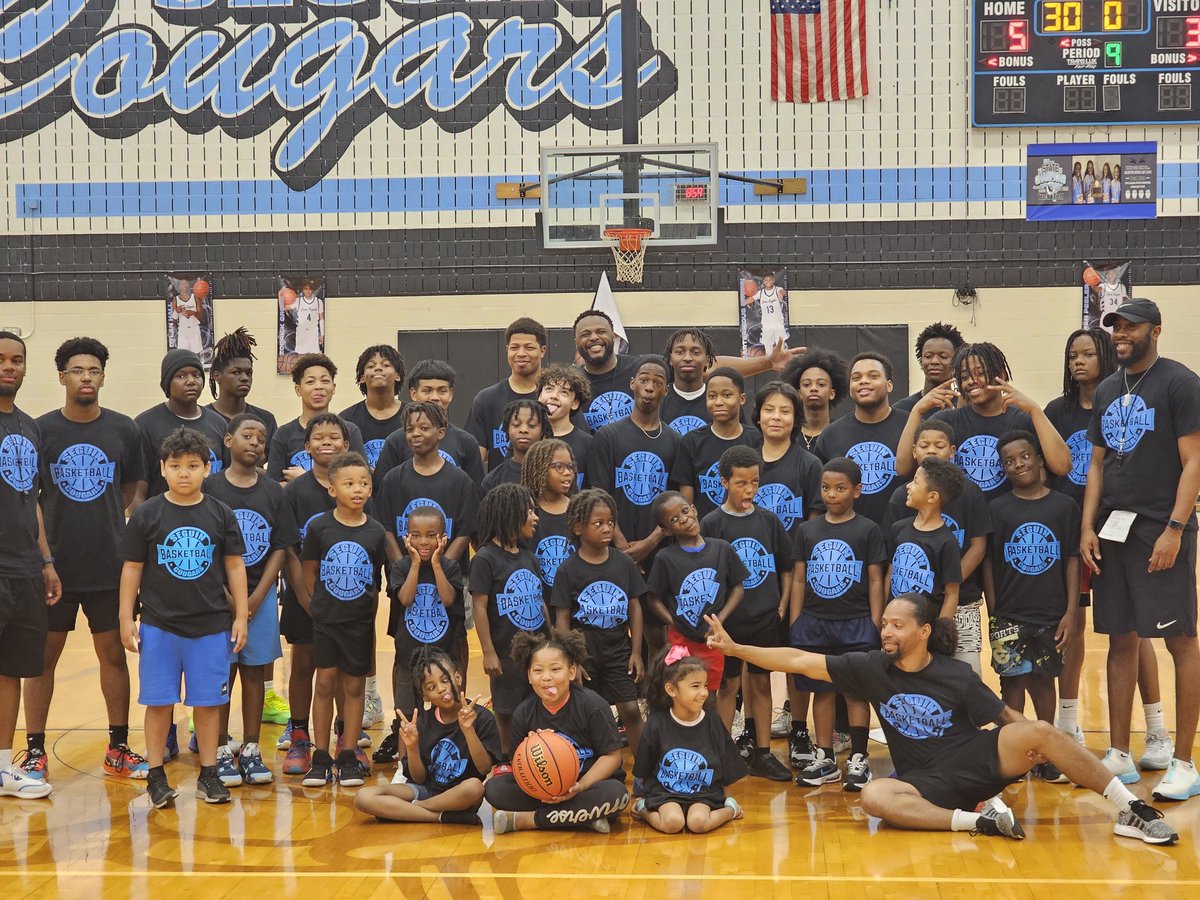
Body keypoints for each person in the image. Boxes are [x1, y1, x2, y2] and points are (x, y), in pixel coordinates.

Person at [704, 597, 1180, 845]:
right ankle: (975, 824)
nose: (886, 631)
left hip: (974, 761)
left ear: (924, 632)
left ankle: (1131, 810)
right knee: (874, 795)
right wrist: (735, 649)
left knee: (1037, 728)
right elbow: (798, 659)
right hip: (924, 781)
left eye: (897, 625)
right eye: (884, 623)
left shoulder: (955, 675)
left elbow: (1006, 717)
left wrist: (1039, 746)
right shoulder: (870, 666)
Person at [1081, 298, 1200, 800]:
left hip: (1159, 526)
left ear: (1157, 328)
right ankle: (1120, 754)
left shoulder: (1181, 383)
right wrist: (1087, 526)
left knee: (1179, 641)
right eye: (1116, 327)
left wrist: (1175, 527)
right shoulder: (1109, 387)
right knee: (1120, 638)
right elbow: (1098, 465)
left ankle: (1185, 761)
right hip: (1113, 530)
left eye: (1131, 326)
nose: (1121, 334)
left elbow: (1194, 462)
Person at [24, 338, 146, 782]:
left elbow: (134, 487)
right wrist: (44, 558)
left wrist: (115, 529)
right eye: (78, 370)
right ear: (62, 377)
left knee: (112, 654)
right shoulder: (41, 430)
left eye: (94, 370)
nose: (87, 377)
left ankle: (118, 746)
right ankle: (34, 751)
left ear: (103, 376)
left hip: (109, 566)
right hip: (55, 567)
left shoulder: (124, 429)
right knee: (43, 658)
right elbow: (30, 498)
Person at [1044, 328, 1167, 753]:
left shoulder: (1124, 406)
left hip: (1117, 531)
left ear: (1105, 357)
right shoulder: (1056, 412)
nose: (1078, 362)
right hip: (1070, 537)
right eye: (1072, 355)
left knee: (1133, 633)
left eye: (1087, 354)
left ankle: (1155, 729)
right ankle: (1069, 723)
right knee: (1071, 627)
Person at [118, 427, 249, 808]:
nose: (184, 473)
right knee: (159, 703)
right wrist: (127, 618)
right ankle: (156, 777)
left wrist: (240, 615)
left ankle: (209, 774)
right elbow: (131, 569)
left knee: (207, 705)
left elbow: (235, 567)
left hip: (210, 626)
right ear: (163, 468)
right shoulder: (147, 514)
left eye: (193, 465)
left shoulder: (220, 513)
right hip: (160, 626)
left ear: (208, 468)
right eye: (175, 465)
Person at [981, 430, 1079, 785]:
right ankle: (1014, 754)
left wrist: (1070, 611)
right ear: (1003, 469)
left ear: (1039, 459)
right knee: (1011, 682)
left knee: (1043, 681)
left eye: (1024, 456)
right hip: (1009, 613)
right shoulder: (997, 509)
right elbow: (989, 563)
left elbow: (1071, 560)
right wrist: (994, 609)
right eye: (1009, 461)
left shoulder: (1064, 506)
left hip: (1050, 613)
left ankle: (1047, 752)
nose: (1018, 464)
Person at [203, 413, 293, 786]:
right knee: (222, 674)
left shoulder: (274, 491)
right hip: (216, 600)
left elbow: (280, 547)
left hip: (261, 598)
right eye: (247, 435)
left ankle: (252, 748)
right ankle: (222, 748)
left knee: (255, 673)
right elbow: (204, 544)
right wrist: (229, 596)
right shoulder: (210, 488)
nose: (255, 442)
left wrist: (256, 596)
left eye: (262, 438)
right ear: (227, 440)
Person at [700, 447, 793, 781]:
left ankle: (763, 752)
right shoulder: (712, 522)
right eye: (741, 483)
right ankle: (725, 754)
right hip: (729, 621)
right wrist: (716, 617)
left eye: (754, 482)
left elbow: (786, 564)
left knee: (762, 683)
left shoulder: (768, 519)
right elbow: (707, 573)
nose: (749, 489)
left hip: (764, 616)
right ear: (724, 482)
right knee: (727, 687)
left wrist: (782, 602)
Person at [792, 458, 886, 788]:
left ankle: (859, 758)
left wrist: (875, 622)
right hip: (815, 623)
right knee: (823, 691)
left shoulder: (868, 529)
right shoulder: (807, 529)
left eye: (840, 488)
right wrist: (796, 620)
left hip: (857, 622)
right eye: (826, 488)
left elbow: (876, 580)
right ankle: (825, 756)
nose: (832, 494)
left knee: (856, 692)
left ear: (857, 491)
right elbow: (800, 578)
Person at [299, 451, 388, 788]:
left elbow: (376, 576)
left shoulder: (376, 531)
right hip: (326, 621)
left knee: (354, 687)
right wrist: (320, 606)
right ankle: (320, 756)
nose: (358, 489)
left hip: (360, 623)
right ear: (332, 489)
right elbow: (309, 572)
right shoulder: (320, 527)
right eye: (349, 483)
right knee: (324, 684)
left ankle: (348, 754)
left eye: (364, 483)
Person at [485, 630, 630, 834]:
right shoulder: (523, 713)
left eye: (555, 669)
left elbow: (613, 757)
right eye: (538, 671)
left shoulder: (593, 705)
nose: (546, 678)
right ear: (528, 676)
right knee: (494, 789)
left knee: (617, 794)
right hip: (543, 789)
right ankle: (582, 817)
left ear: (571, 672)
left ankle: (529, 820)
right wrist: (530, 753)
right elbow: (517, 768)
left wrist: (580, 786)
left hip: (587, 784)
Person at [0, 331, 60, 799]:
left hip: (23, 568)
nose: (9, 367)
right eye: (1, 359)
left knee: (13, 669)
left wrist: (45, 560)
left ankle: (3, 767)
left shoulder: (27, 425)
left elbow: (34, 500)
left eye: (17, 360)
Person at [897, 342, 1071, 502]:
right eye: (965, 376)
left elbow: (1063, 466)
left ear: (1000, 374)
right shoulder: (947, 420)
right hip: (964, 521)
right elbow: (903, 468)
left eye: (980, 373)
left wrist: (1034, 410)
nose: (972, 381)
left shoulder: (1023, 419)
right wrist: (916, 411)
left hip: (1007, 521)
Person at [883, 420, 992, 674]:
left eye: (939, 445)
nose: (931, 450)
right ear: (914, 450)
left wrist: (943, 585)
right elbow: (892, 563)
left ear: (952, 451)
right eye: (924, 445)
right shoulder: (902, 499)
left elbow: (978, 546)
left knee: (964, 674)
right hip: (909, 610)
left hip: (959, 603)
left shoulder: (970, 494)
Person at [276, 413, 351, 775]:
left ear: (347, 445)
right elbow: (290, 550)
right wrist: (306, 598)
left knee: (341, 669)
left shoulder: (357, 487)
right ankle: (301, 736)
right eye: (318, 437)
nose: (326, 442)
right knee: (304, 664)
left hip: (348, 599)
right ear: (306, 448)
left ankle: (341, 737)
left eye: (334, 437)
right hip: (304, 597)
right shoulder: (294, 491)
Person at [353, 648, 498, 823]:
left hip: (460, 795)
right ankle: (440, 817)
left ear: (458, 678)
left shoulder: (482, 718)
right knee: (363, 797)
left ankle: (413, 810)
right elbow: (419, 778)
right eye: (431, 687)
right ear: (425, 696)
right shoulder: (423, 722)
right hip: (426, 790)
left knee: (474, 787)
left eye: (445, 680)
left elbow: (484, 768)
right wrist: (412, 747)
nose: (441, 689)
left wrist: (468, 730)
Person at [552, 488, 646, 755]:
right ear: (578, 527)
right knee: (592, 711)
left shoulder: (623, 564)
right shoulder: (568, 569)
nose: (607, 529)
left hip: (618, 648)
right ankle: (593, 765)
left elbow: (635, 607)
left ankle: (642, 774)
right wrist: (572, 659)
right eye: (598, 524)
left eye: (611, 523)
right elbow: (562, 618)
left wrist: (637, 652)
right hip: (585, 651)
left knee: (630, 708)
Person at [631, 645, 747, 833]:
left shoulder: (712, 721)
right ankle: (644, 809)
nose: (704, 693)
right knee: (673, 823)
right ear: (671, 690)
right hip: (665, 793)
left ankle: (730, 811)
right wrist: (643, 797)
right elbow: (645, 767)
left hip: (704, 793)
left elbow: (726, 763)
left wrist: (727, 799)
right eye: (695, 686)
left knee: (698, 823)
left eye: (705, 686)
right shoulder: (656, 723)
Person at [469, 483, 548, 756]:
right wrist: (488, 652)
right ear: (510, 513)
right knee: (506, 710)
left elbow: (540, 600)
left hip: (537, 649)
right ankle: (507, 758)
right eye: (529, 511)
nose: (536, 517)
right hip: (505, 652)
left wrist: (553, 641)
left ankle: (535, 757)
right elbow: (479, 607)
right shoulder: (485, 558)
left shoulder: (527, 554)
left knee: (537, 706)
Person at [645, 491, 748, 693]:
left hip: (713, 639)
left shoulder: (721, 549)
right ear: (666, 530)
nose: (684, 519)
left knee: (709, 695)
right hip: (681, 641)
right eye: (674, 519)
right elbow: (653, 599)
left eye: (685, 511)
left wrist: (719, 621)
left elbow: (738, 588)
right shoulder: (665, 558)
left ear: (694, 509)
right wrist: (674, 622)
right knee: (683, 692)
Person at [585, 356, 682, 569]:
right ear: (632, 383)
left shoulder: (675, 440)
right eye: (643, 380)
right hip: (612, 548)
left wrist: (650, 542)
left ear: (666, 390)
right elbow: (599, 495)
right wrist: (622, 546)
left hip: (661, 551)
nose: (649, 388)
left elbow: (677, 501)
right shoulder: (608, 436)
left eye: (657, 383)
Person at [386, 507, 465, 728]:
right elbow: (406, 598)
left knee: (447, 712)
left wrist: (437, 565)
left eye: (431, 536)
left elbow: (448, 599)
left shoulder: (450, 567)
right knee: (407, 715)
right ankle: (405, 761)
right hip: (408, 657)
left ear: (443, 538)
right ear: (407, 538)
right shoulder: (401, 566)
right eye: (416, 535)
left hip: (443, 656)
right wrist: (415, 564)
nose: (423, 542)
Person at [374, 402, 478, 570]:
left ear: (441, 432)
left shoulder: (461, 481)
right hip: (405, 581)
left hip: (448, 582)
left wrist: (443, 570)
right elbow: (386, 529)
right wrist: (403, 568)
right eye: (409, 429)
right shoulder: (392, 480)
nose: (415, 434)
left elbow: (465, 532)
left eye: (424, 428)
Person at [813, 353, 908, 525]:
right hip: (849, 540)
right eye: (856, 378)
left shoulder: (910, 426)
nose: (863, 381)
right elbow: (819, 501)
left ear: (889, 385)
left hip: (902, 538)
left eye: (873, 376)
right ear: (850, 388)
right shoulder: (831, 435)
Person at [135, 349, 229, 502]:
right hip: (165, 521)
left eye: (196, 375)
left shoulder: (218, 423)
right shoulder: (145, 425)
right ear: (167, 384)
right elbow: (138, 489)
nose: (191, 381)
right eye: (181, 376)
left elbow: (227, 479)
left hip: (209, 520)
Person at [672, 367, 762, 520]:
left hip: (749, 531)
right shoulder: (692, 441)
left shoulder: (757, 439)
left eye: (727, 395)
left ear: (742, 398)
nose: (718, 402)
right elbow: (686, 500)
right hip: (707, 535)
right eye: (712, 396)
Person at [268, 354, 366, 481]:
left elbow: (361, 480)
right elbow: (274, 486)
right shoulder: (283, 434)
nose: (318, 386)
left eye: (325, 381)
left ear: (333, 388)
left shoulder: (350, 431)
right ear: (298, 390)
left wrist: (305, 480)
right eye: (310, 382)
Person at [888, 458, 964, 621]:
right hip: (894, 624)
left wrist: (940, 633)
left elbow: (952, 594)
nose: (908, 486)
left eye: (915, 482)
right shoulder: (898, 529)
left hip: (925, 629)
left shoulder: (947, 542)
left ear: (932, 497)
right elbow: (889, 574)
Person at [465, 318, 546, 471]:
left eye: (529, 347)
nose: (521, 353)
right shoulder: (487, 399)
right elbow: (475, 461)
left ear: (542, 351)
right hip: (502, 492)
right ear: (507, 349)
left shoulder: (555, 399)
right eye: (514, 347)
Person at [207, 327, 279, 455]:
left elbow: (272, 467)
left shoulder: (265, 419)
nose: (245, 378)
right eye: (236, 372)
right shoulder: (204, 418)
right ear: (217, 376)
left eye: (249, 373)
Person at [522, 439, 577, 598]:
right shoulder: (526, 513)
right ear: (538, 468)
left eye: (570, 467)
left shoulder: (579, 510)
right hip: (536, 601)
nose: (567, 473)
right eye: (559, 467)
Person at [339, 345, 405, 470]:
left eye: (386, 365)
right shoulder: (345, 419)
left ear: (397, 375)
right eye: (371, 366)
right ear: (362, 378)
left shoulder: (413, 417)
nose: (378, 368)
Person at [573, 310, 641, 431]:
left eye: (601, 332)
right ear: (576, 343)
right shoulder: (570, 382)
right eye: (585, 334)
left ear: (613, 336)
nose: (594, 337)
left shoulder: (639, 368)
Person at [782, 348, 848, 454]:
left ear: (832, 393)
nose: (814, 388)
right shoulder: (786, 433)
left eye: (821, 384)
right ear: (799, 393)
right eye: (807, 384)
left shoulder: (842, 433)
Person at [480, 399, 551, 493]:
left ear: (542, 430)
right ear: (507, 430)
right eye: (516, 425)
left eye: (531, 425)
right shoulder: (493, 480)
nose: (523, 430)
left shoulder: (554, 474)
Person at [536, 364, 593, 481]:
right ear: (540, 396)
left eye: (564, 392)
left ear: (575, 403)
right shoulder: (527, 437)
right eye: (549, 389)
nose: (554, 396)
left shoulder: (588, 444)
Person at [893, 323, 965, 414]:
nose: (934, 361)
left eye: (943, 356)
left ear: (956, 361)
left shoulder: (964, 406)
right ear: (921, 360)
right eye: (928, 356)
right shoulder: (902, 409)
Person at [660, 328, 719, 435]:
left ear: (707, 360)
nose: (687, 358)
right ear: (670, 359)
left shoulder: (719, 401)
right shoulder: (658, 399)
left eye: (696, 352)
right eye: (679, 352)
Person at [752, 273, 788, 351]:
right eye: (766, 280)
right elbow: (751, 299)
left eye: (770, 279)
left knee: (781, 348)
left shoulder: (777, 289)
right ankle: (769, 363)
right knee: (768, 349)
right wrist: (743, 300)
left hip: (778, 323)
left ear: (773, 281)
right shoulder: (760, 293)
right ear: (764, 281)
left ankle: (781, 362)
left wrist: (782, 293)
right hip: (766, 324)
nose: (768, 281)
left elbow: (783, 292)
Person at [173, 278, 205, 354]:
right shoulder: (175, 300)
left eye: (186, 283)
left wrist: (193, 313)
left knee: (197, 354)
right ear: (179, 287)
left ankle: (197, 365)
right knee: (183, 354)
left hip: (194, 328)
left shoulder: (195, 298)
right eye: (182, 284)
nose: (184, 285)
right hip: (183, 329)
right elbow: (174, 320)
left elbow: (202, 317)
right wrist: (177, 311)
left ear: (189, 286)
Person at [293, 281, 324, 354]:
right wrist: (280, 296)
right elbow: (283, 308)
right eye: (305, 289)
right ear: (303, 290)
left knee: (313, 356)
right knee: (301, 356)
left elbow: (321, 319)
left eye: (310, 289)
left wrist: (322, 334)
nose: (307, 291)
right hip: (301, 332)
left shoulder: (318, 301)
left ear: (312, 290)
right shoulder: (298, 301)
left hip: (313, 332)